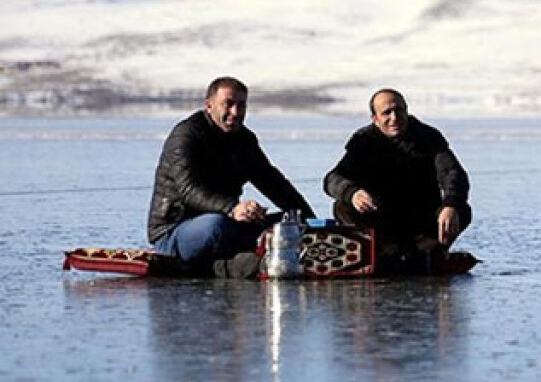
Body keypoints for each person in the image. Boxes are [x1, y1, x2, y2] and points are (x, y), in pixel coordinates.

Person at [148, 76, 315, 274]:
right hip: (177, 230)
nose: (235, 113)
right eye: (228, 104)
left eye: (241, 106)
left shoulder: (244, 139)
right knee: (215, 227)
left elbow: (272, 182)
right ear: (209, 106)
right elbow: (189, 190)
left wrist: (308, 220)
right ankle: (242, 261)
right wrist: (233, 208)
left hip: (229, 223)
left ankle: (242, 257)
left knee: (289, 223)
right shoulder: (186, 136)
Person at [324, 88, 471, 273]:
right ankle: (386, 256)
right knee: (342, 206)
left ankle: (427, 253)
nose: (394, 118)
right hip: (382, 225)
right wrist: (352, 193)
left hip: (421, 223)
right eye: (387, 113)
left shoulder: (427, 137)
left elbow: (453, 173)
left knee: (461, 210)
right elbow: (332, 178)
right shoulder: (364, 141)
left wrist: (450, 204)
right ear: (375, 119)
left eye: (399, 111)